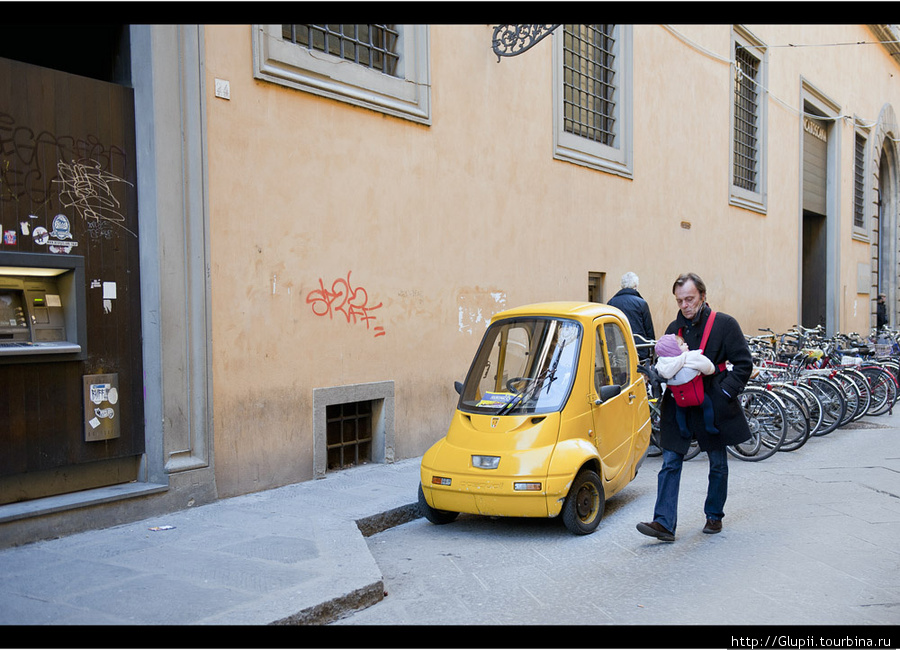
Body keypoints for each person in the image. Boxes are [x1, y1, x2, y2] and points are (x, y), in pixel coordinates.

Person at [637, 272, 752, 542]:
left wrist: (724, 391)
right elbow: (663, 364)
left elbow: (744, 364)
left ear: (702, 295)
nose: (685, 305)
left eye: (690, 299)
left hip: (712, 403)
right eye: (680, 301)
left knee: (717, 463)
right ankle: (663, 523)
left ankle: (714, 515)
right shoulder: (671, 331)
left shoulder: (725, 324)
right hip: (678, 406)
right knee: (670, 462)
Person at [654, 333, 717, 438]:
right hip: (697, 395)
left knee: (680, 411)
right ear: (674, 350)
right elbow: (709, 368)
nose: (686, 344)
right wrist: (711, 369)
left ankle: (683, 428)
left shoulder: (662, 364)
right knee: (707, 405)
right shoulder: (691, 357)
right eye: (682, 344)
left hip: (679, 397)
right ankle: (710, 426)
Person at [607, 272, 655, 359]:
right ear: (635, 286)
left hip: (618, 350)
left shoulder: (611, 303)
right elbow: (649, 329)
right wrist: (652, 348)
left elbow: (609, 330)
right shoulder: (641, 303)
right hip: (639, 349)